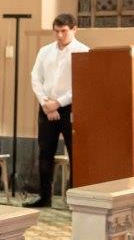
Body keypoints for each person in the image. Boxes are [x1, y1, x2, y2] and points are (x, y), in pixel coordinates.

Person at [27, 13, 89, 208]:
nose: (60, 35)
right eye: (56, 32)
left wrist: (59, 103)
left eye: (64, 31)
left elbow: (81, 84)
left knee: (75, 155)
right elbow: (35, 77)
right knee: (45, 154)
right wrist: (46, 103)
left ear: (74, 29)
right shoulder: (45, 51)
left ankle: (76, 201)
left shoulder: (83, 51)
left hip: (70, 108)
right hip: (46, 107)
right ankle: (44, 197)